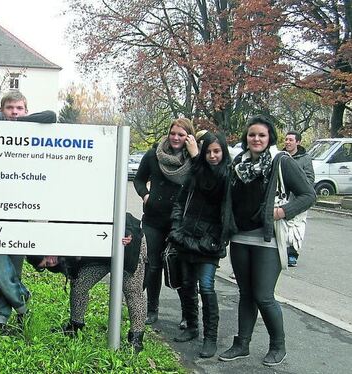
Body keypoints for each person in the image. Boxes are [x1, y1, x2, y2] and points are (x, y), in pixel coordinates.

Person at [219, 115, 315, 366]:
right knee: (246, 294)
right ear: (246, 138)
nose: (256, 139)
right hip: (240, 237)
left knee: (263, 295)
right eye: (252, 135)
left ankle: (278, 346)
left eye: (261, 135)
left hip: (268, 239)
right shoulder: (238, 163)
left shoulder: (280, 162)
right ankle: (241, 344)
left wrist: (282, 212)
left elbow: (308, 195)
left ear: (269, 138)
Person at [0, 91, 56, 330]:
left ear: (26, 111)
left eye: (19, 108)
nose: (14, 113)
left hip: (20, 210)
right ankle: (21, 301)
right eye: (9, 108)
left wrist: (19, 124)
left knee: (13, 263)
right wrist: (6, 122)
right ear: (2, 110)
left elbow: (51, 115)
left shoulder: (31, 131)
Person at [25, 213, 147, 353]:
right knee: (79, 285)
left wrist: (127, 234)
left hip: (126, 244)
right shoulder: (61, 259)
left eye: (47, 257)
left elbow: (116, 216)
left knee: (132, 291)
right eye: (47, 264)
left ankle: (136, 338)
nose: (51, 261)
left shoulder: (65, 229)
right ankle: (75, 327)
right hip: (99, 257)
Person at [168, 132, 233, 358]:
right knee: (186, 285)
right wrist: (176, 227)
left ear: (223, 152)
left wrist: (197, 158)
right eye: (208, 152)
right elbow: (180, 200)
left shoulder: (226, 176)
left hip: (209, 243)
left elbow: (212, 187)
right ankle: (193, 327)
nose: (212, 156)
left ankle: (210, 338)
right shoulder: (195, 172)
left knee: (206, 287)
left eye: (216, 151)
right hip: (186, 237)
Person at [133, 118, 199, 326]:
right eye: (173, 133)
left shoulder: (195, 159)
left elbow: (206, 180)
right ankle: (152, 310)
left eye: (181, 134)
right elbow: (139, 179)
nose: (176, 138)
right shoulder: (154, 155)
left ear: (188, 137)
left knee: (180, 268)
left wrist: (196, 154)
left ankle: (187, 315)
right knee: (152, 266)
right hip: (153, 219)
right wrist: (145, 195)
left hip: (181, 222)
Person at [282, 131, 314, 267]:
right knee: (282, 226)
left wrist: (300, 188)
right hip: (283, 197)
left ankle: (293, 254)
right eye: (286, 139)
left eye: (291, 140)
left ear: (298, 142)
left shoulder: (305, 158)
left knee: (296, 227)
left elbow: (310, 178)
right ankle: (281, 251)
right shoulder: (281, 156)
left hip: (298, 199)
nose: (288, 142)